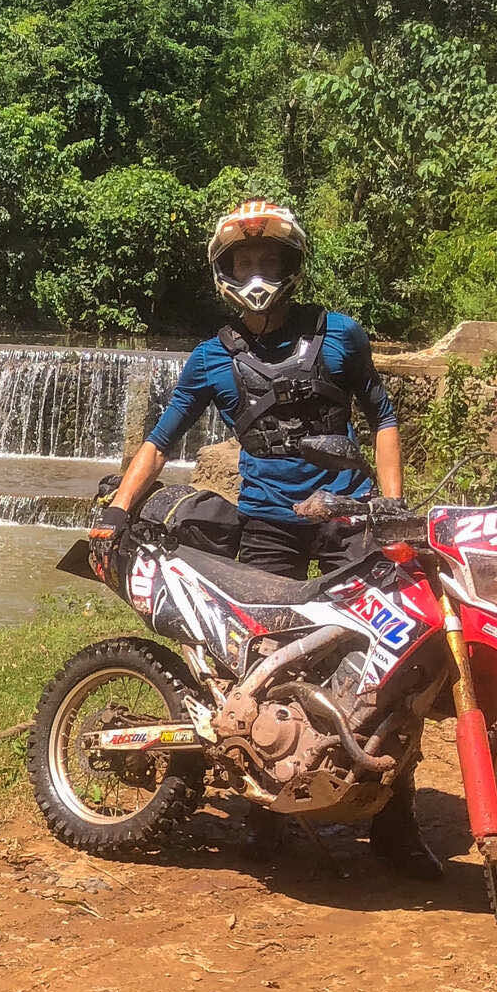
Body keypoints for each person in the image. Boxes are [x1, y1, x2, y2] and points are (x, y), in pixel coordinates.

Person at [91, 198, 442, 881]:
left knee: (393, 670)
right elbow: (161, 443)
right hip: (269, 524)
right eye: (243, 262)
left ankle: (394, 821)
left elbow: (383, 416)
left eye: (268, 261)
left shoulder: (341, 337)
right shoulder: (209, 361)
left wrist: (393, 508)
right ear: (224, 271)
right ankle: (267, 807)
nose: (256, 274)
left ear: (291, 266)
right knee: (269, 664)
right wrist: (118, 508)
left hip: (351, 520)